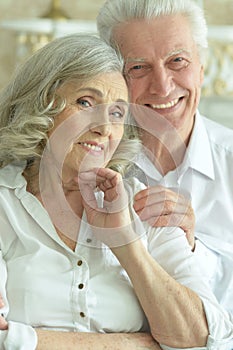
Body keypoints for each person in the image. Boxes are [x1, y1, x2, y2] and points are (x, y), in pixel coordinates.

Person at [0, 33, 232, 350]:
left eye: (118, 113)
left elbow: (210, 338)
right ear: (43, 106)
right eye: (85, 102)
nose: (104, 127)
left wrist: (127, 244)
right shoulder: (4, 204)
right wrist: (139, 344)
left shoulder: (144, 204)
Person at [97, 0, 233, 320]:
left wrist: (191, 250)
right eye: (138, 68)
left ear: (202, 67)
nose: (162, 86)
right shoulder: (87, 163)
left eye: (177, 61)